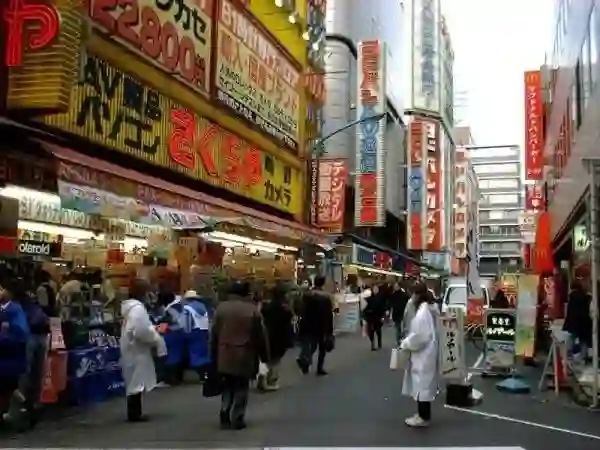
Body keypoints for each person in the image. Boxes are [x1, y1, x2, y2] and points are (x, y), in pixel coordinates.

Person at [211, 280, 269, 430]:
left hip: (224, 353)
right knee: (241, 386)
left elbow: (214, 333)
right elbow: (260, 335)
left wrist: (212, 354)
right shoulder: (252, 310)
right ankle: (237, 417)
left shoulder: (221, 308)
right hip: (245, 354)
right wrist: (264, 356)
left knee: (227, 385)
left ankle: (224, 411)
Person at [120, 279, 167, 422]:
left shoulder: (131, 308)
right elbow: (140, 330)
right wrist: (154, 336)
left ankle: (135, 412)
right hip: (138, 350)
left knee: (134, 380)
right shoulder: (138, 309)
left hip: (132, 348)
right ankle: (135, 413)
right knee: (137, 382)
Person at [400, 282, 441, 427]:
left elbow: (420, 336)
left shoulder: (422, 312)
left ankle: (423, 417)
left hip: (423, 354)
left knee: (422, 385)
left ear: (417, 295)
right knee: (424, 385)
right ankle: (422, 414)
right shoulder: (431, 308)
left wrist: (406, 343)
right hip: (429, 352)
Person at [0, 282, 29, 428]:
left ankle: (25, 409)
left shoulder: (15, 310)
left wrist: (6, 333)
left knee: (8, 387)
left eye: (1, 289)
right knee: (7, 389)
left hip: (10, 357)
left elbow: (21, 335)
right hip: (4, 357)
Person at [296, 275, 334, 375]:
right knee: (322, 347)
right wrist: (330, 330)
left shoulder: (307, 295)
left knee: (311, 345)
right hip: (322, 325)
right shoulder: (326, 297)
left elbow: (301, 309)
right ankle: (319, 368)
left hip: (308, 324)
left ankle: (305, 360)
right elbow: (328, 315)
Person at [259, 285, 294, 391]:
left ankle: (262, 379)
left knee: (267, 359)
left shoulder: (266, 307)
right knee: (276, 360)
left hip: (267, 334)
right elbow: (289, 319)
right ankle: (271, 380)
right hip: (281, 336)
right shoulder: (285, 308)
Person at [181, 290, 211, 380]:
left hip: (194, 331)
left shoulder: (187, 308)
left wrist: (185, 333)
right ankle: (206, 373)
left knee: (194, 353)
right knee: (203, 353)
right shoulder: (203, 307)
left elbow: (186, 323)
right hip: (204, 330)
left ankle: (201, 374)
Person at [563, 279, 592, 360]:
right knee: (583, 340)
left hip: (574, 321)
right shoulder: (585, 296)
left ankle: (568, 354)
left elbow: (569, 311)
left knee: (572, 337)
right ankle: (583, 355)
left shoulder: (571, 297)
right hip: (584, 321)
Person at [363, 284, 387, 351]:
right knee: (370, 331)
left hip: (378, 316)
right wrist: (366, 312)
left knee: (378, 330)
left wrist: (383, 316)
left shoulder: (381, 297)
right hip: (370, 316)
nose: (375, 290)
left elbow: (383, 307)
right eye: (374, 289)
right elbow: (365, 307)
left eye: (376, 289)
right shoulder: (369, 298)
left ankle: (379, 342)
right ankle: (372, 344)